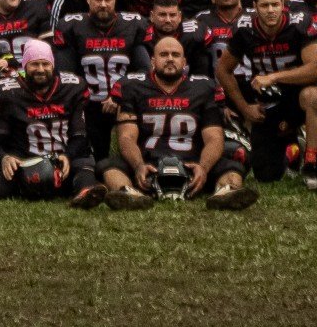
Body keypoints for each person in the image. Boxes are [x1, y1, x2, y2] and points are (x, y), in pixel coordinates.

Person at [100, 34, 257, 211]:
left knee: (231, 167)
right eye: (163, 55)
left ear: (184, 62)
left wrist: (203, 168)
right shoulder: (132, 86)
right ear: (153, 60)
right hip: (149, 162)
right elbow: (127, 137)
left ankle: (227, 192)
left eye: (175, 55)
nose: (169, 59)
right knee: (109, 165)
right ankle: (127, 193)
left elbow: (214, 138)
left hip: (192, 162)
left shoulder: (204, 88)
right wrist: (138, 166)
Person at [216, 0, 317, 184]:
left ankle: (311, 162)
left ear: (283, 5)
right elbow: (223, 70)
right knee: (265, 175)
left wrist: (275, 76)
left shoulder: (298, 23)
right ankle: (293, 147)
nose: (271, 10)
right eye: (265, 5)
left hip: (296, 96)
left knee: (314, 95)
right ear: (255, 7)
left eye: (275, 5)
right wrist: (245, 108)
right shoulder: (244, 28)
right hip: (268, 101)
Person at [0, 37, 104, 207]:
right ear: (24, 66)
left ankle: (82, 190)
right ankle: (38, 184)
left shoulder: (72, 88)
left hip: (62, 155)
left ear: (53, 65)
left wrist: (68, 156)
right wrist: (4, 158)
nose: (40, 69)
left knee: (82, 171)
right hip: (24, 158)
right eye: (34, 64)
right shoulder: (7, 92)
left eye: (45, 64)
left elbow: (79, 135)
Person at [53, 0, 148, 159]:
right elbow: (66, 74)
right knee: (93, 157)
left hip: (125, 102)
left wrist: (119, 95)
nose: (103, 4)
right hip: (88, 103)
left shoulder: (134, 25)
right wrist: (85, 98)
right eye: (98, 0)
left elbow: (143, 71)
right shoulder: (71, 26)